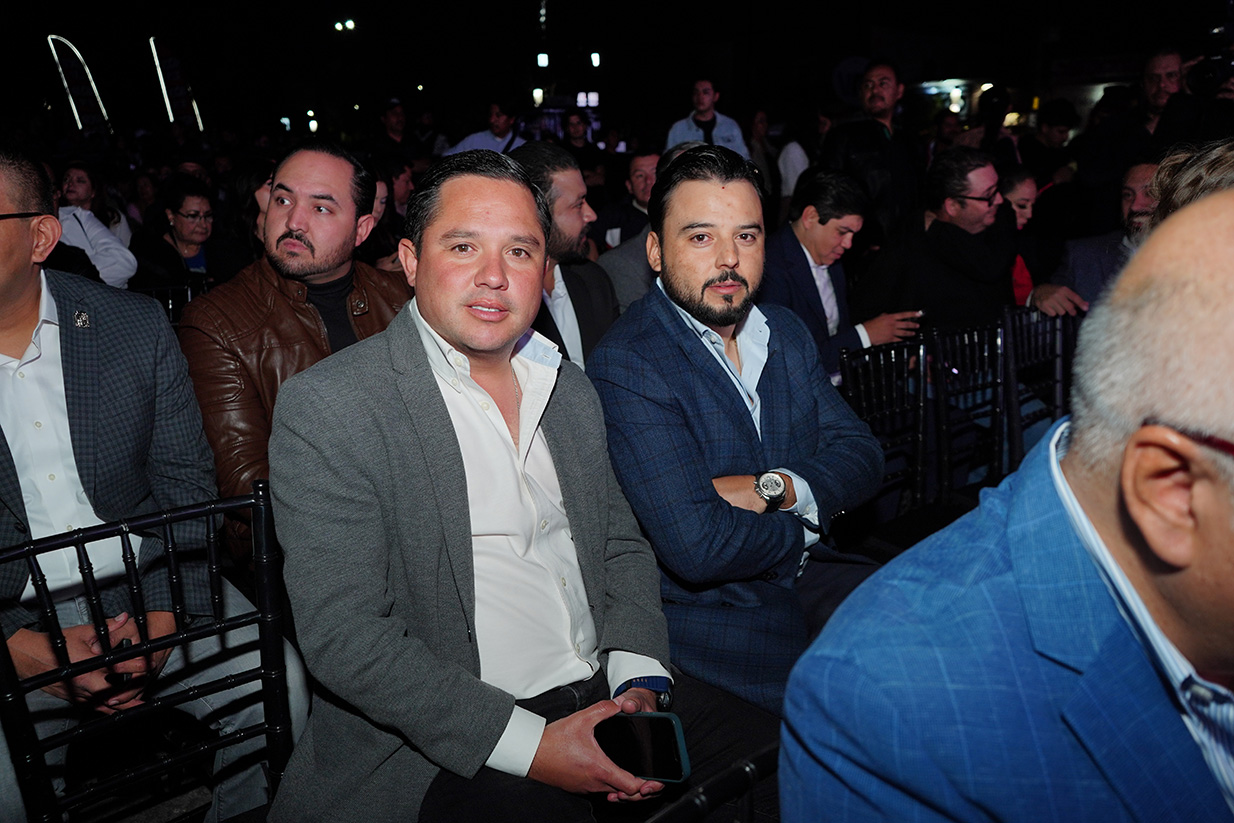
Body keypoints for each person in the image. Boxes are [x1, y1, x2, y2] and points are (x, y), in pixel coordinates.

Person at [266, 149, 779, 823]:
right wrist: (535, 746)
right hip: (448, 735)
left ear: (545, 269)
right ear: (411, 261)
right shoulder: (333, 406)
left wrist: (638, 680)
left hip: (603, 689)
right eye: (463, 246)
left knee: (784, 760)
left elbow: (621, 546)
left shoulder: (566, 387)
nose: (493, 275)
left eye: (518, 251)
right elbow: (347, 636)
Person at [781, 185, 1234, 823]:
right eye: (987, 197)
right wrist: (865, 340)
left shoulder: (982, 244)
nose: (998, 209)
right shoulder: (891, 704)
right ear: (1172, 490)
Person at [0, 146, 306, 823]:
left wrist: (163, 621)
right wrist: (22, 647)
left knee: (281, 689)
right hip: (14, 614)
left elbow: (185, 480)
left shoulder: (130, 325)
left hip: (147, 578)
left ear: (40, 236)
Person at [589, 146, 884, 714]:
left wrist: (773, 488)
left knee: (944, 625)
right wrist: (806, 523)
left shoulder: (784, 331)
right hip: (721, 622)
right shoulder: (630, 362)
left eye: (746, 236)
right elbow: (700, 548)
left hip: (811, 577)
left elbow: (863, 454)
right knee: (878, 696)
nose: (729, 259)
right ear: (655, 251)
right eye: (701, 237)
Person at [177, 140, 411, 564]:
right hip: (297, 562)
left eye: (321, 208)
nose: (293, 221)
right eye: (283, 200)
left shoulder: (403, 301)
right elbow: (248, 482)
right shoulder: (216, 322)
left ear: (362, 230)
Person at [758, 168, 920, 378]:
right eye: (842, 232)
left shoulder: (831, 259)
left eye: (853, 234)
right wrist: (865, 334)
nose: (848, 244)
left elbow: (839, 340)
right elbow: (791, 361)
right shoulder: (770, 266)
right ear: (810, 217)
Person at [858, 146, 1016, 329]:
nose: (999, 200)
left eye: (998, 189)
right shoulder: (908, 247)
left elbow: (992, 266)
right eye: (988, 195)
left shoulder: (1001, 220)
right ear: (952, 206)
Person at [508, 142, 618, 370]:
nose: (591, 215)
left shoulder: (594, 281)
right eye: (578, 204)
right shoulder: (500, 297)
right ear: (539, 216)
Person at [822, 60, 927, 249]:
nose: (875, 90)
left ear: (899, 91)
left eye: (883, 83)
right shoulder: (843, 136)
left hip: (908, 246)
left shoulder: (911, 141)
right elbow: (830, 194)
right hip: (862, 249)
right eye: (868, 85)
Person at [1032, 161, 1158, 315]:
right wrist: (1038, 295)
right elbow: (1048, 299)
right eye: (1128, 195)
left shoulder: (1187, 258)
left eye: (1150, 193)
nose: (1135, 206)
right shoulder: (1083, 256)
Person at [665, 79, 750, 159]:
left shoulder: (730, 126)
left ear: (716, 96)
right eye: (696, 93)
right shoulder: (678, 129)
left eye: (705, 92)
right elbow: (668, 161)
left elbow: (744, 157)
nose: (700, 97)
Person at [444, 100, 526, 155]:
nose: (492, 120)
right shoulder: (474, 140)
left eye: (498, 115)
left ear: (511, 119)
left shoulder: (522, 146)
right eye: (490, 115)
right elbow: (447, 156)